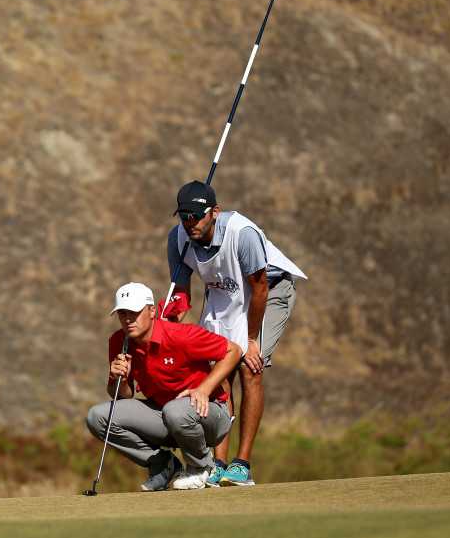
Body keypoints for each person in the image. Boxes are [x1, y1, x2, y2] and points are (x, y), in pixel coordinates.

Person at [167, 180, 306, 487]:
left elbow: (259, 289)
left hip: (268, 292)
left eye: (196, 216)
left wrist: (252, 341)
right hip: (224, 293)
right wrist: (174, 328)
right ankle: (217, 463)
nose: (189, 223)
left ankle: (242, 465)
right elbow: (182, 293)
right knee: (219, 370)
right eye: (183, 216)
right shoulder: (178, 239)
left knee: (248, 366)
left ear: (214, 212)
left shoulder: (243, 235)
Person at [85, 282, 242, 491]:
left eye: (134, 312)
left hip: (209, 416)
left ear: (151, 311)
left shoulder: (180, 335)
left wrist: (204, 389)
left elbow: (233, 351)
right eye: (122, 313)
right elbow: (124, 396)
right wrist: (117, 379)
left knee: (175, 411)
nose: (128, 319)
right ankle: (162, 464)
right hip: (165, 415)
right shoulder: (119, 341)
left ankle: (202, 467)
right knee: (97, 417)